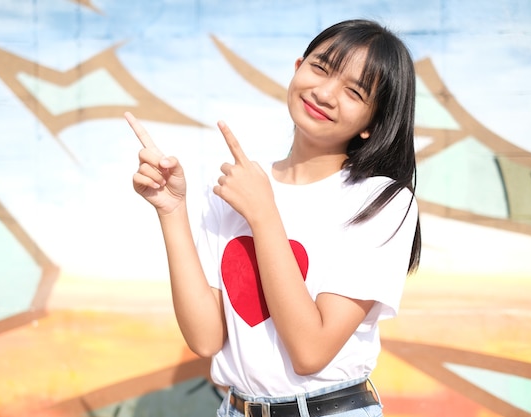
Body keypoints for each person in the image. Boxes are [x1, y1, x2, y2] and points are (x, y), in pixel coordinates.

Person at [127, 18, 421, 417]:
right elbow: (206, 338)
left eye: (354, 91)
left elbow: (310, 351)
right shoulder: (239, 186)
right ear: (298, 67)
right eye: (320, 68)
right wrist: (172, 210)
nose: (326, 93)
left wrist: (264, 215)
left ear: (373, 123)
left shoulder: (380, 200)